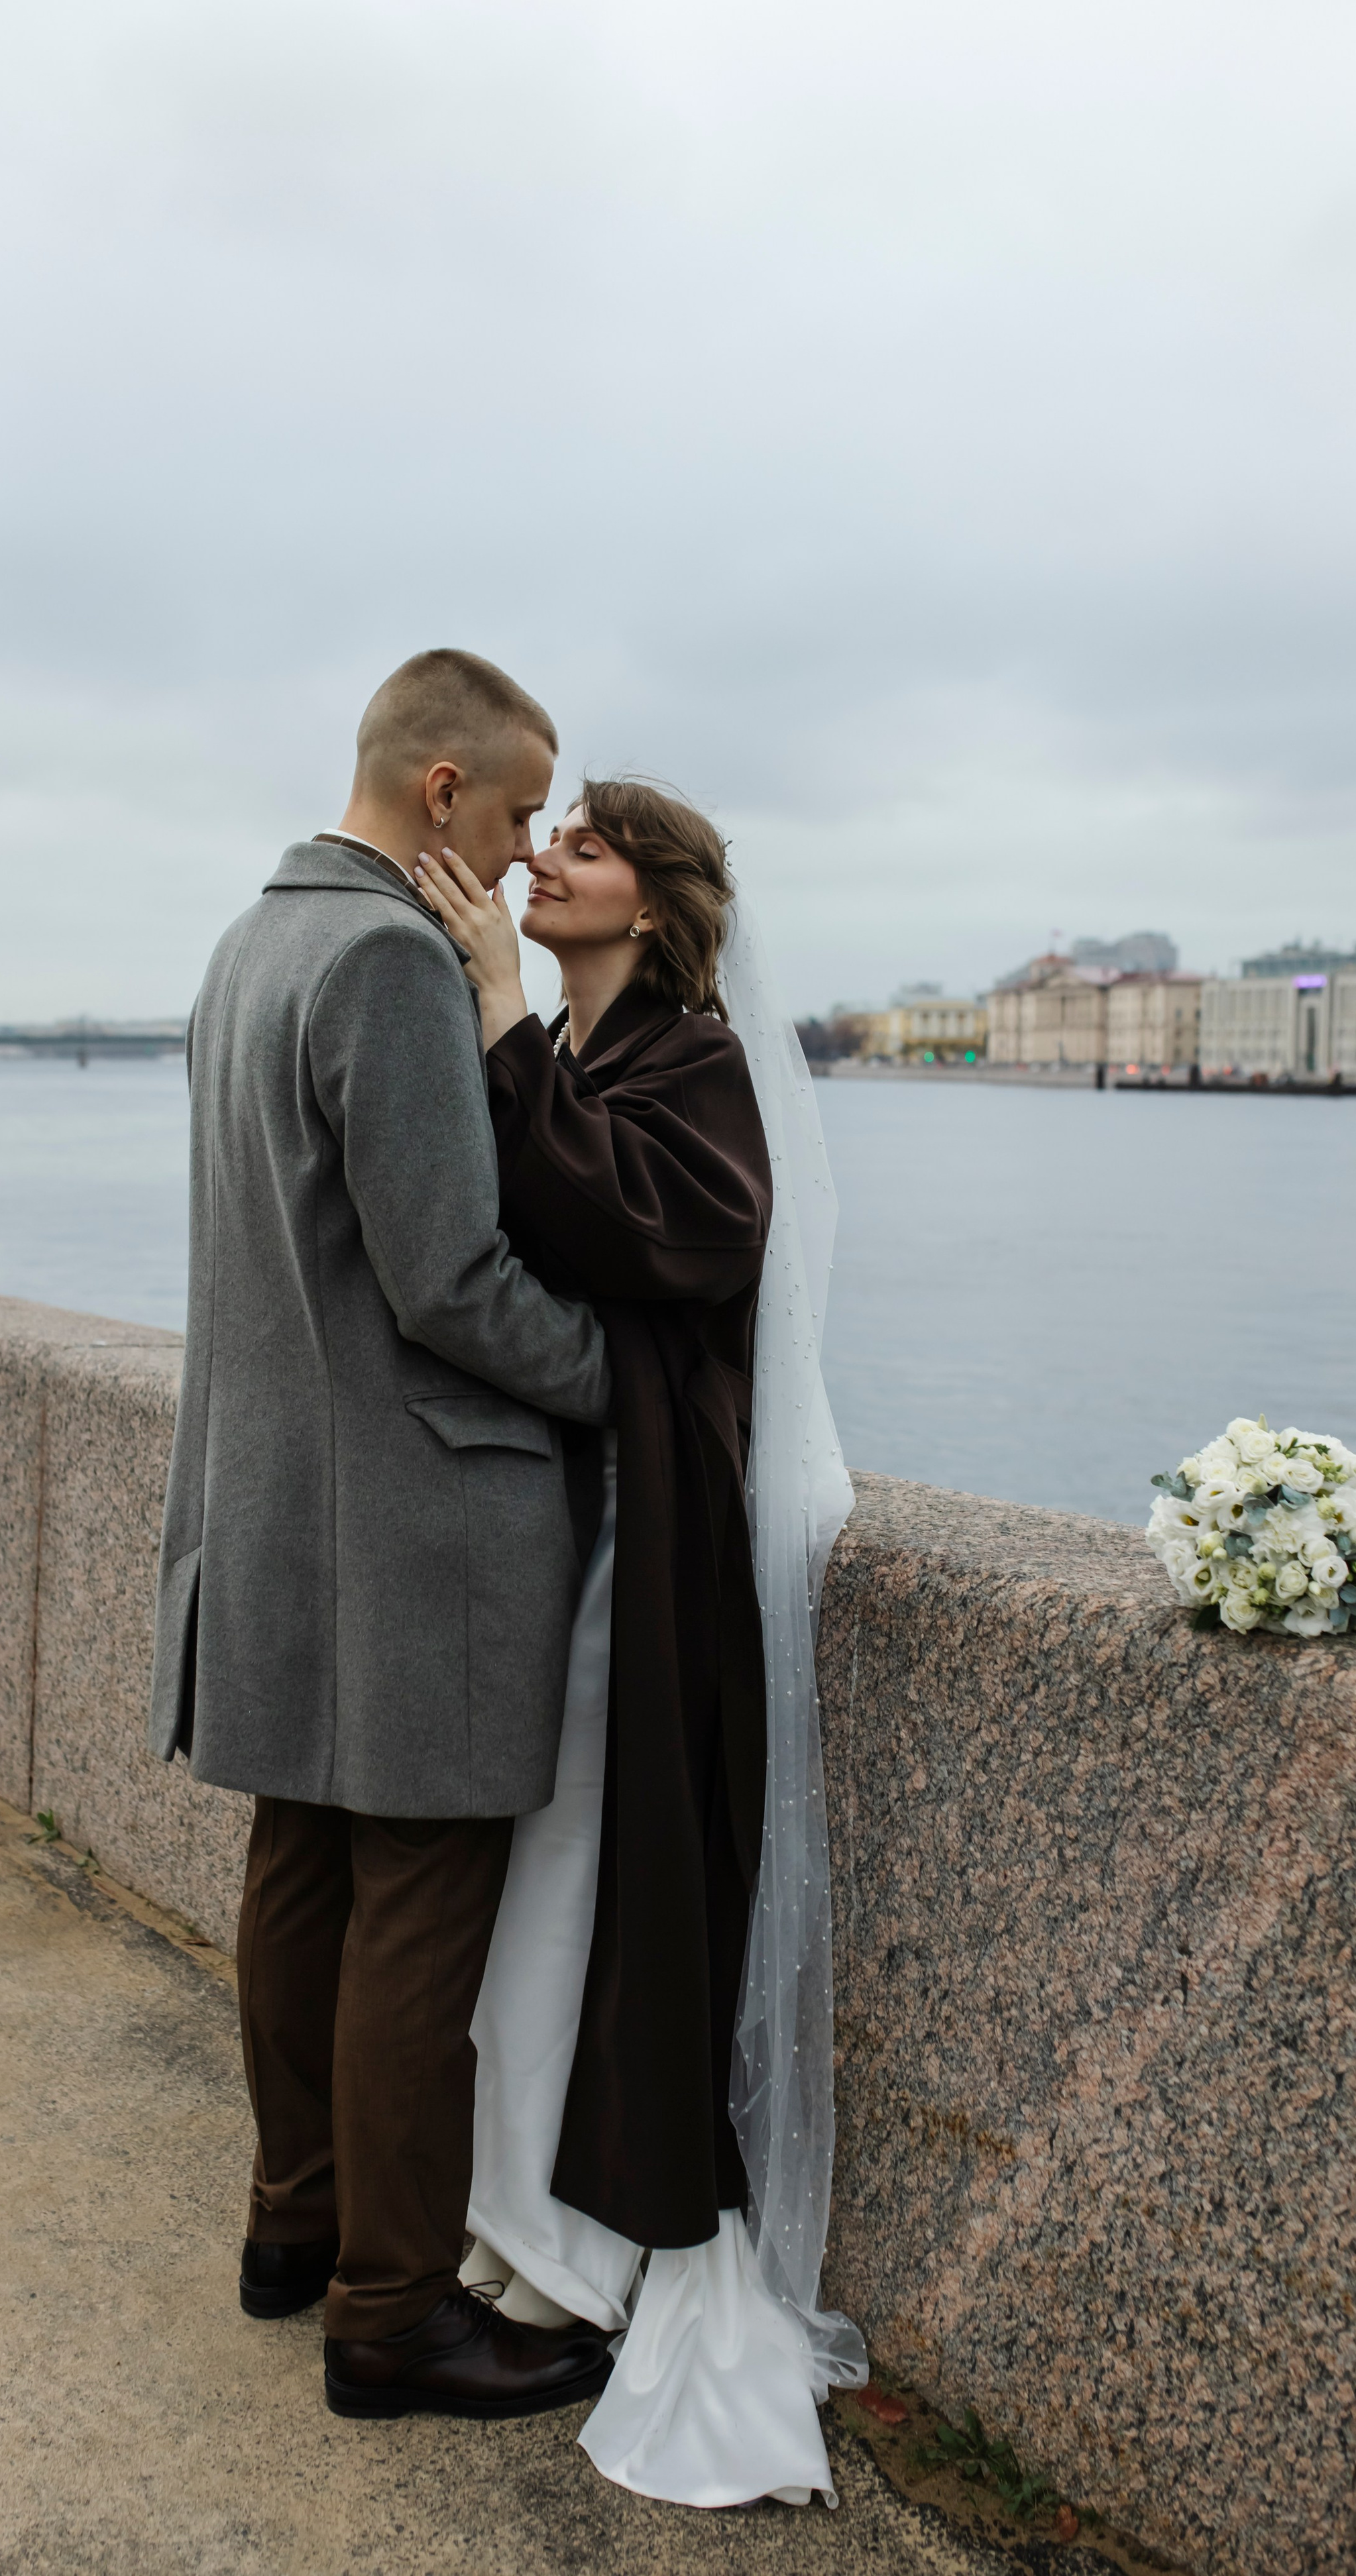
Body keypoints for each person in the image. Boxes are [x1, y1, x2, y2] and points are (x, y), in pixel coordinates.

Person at [149, 648, 620, 2422]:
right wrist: (621, 1379)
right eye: (509, 819)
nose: (516, 861)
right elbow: (451, 1281)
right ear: (441, 790)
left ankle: (294, 2227)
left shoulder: (249, 941)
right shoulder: (389, 960)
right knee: (418, 1915)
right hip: (419, 1533)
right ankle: (394, 2312)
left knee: (303, 1874)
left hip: (280, 1505)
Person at [416, 778, 867, 2508]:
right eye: (552, 837)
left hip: (650, 1542)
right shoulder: (591, 1054)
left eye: (582, 848)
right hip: (570, 1526)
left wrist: (504, 1022)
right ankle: (516, 2216)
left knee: (582, 1866)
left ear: (657, 907)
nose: (542, 860)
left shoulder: (688, 1058)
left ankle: (573, 2245)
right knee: (542, 1870)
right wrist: (508, 1033)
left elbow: (657, 1234)